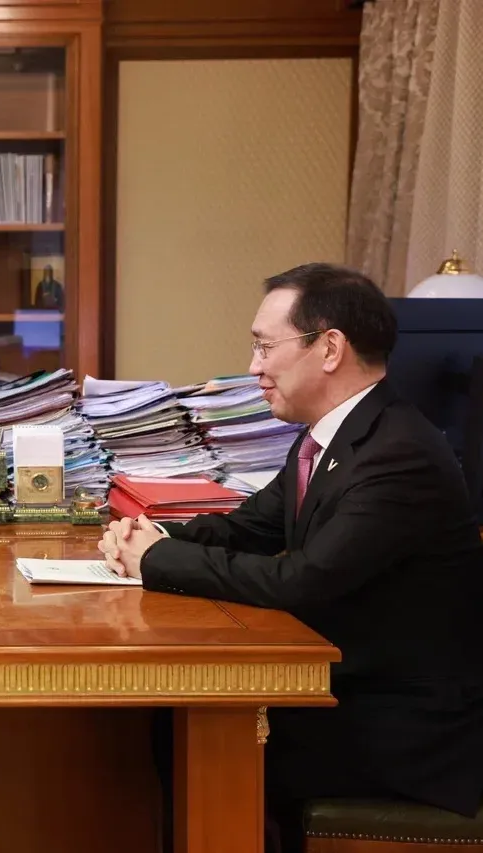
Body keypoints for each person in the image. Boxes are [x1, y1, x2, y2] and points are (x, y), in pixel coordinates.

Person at [101, 263, 483, 853]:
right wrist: (143, 536)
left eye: (264, 346)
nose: (253, 367)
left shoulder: (398, 453)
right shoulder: (329, 436)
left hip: (401, 725)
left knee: (194, 728)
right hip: (346, 689)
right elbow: (247, 528)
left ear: (329, 348)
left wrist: (156, 560)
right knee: (174, 718)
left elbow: (301, 580)